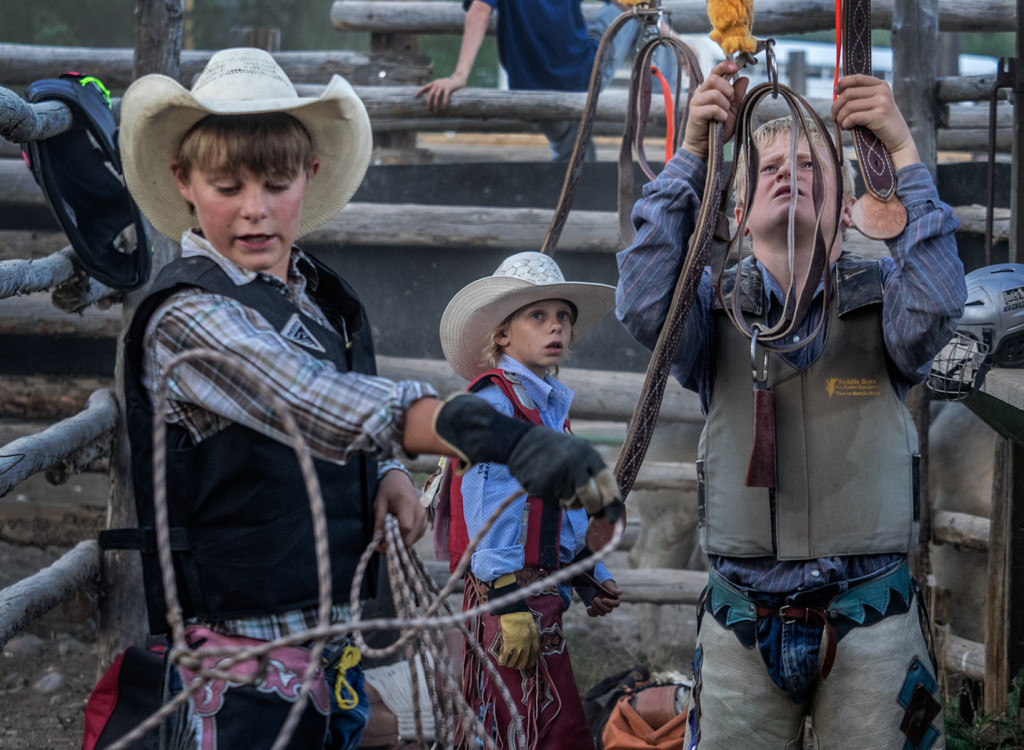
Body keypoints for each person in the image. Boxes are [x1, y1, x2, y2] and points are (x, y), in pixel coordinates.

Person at [105, 47, 621, 750]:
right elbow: (309, 397)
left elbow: (346, 388)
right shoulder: (186, 319)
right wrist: (501, 437)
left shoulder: (318, 300)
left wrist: (387, 472)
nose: (254, 210)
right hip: (237, 644)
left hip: (329, 633)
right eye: (227, 186)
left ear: (307, 177)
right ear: (184, 181)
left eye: (275, 182)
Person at [615, 59, 966, 749]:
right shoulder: (711, 315)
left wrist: (901, 150)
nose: (788, 170)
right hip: (742, 622)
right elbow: (643, 301)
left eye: (810, 165)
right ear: (740, 217)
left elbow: (938, 300)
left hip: (870, 617)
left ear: (842, 213)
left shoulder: (886, 307)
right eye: (769, 164)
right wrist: (693, 152)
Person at [436, 251, 624, 748]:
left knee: (533, 727)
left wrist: (588, 573)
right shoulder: (497, 404)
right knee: (538, 729)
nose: (555, 326)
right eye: (537, 316)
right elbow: (492, 504)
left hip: (539, 595)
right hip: (511, 595)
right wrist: (506, 599)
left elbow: (555, 514)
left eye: (563, 316)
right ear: (502, 335)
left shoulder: (547, 407)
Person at [417, 0, 667, 162]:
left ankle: (661, 96)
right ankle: (662, 102)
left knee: (573, 150)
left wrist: (460, 75)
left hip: (533, 84)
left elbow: (480, 9)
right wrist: (671, 34)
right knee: (574, 153)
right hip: (585, 75)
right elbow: (634, 6)